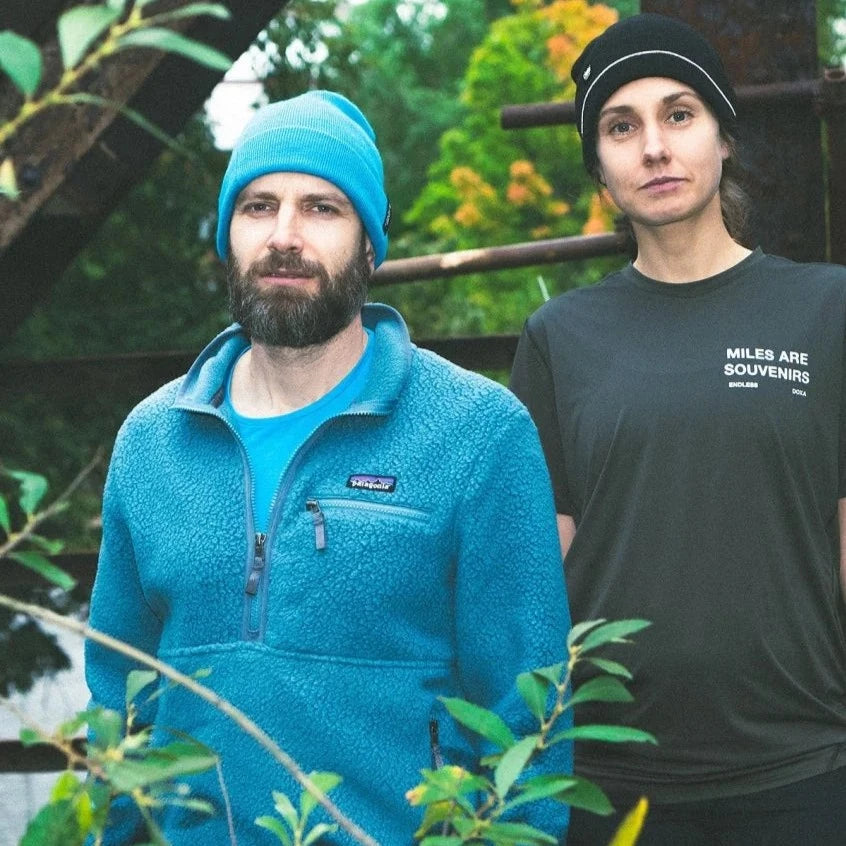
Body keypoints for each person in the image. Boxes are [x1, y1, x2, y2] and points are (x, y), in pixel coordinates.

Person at [85, 90, 572, 845]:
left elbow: (529, 723)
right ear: (226, 237)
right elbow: (116, 710)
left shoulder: (479, 433)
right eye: (258, 206)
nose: (284, 236)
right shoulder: (152, 441)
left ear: (370, 246)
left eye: (321, 208)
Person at [509, 12, 846, 846]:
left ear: (724, 137)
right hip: (612, 780)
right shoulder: (559, 338)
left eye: (679, 114)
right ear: (600, 170)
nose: (655, 148)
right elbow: (543, 565)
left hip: (804, 768)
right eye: (621, 128)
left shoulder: (827, 309)